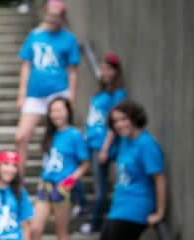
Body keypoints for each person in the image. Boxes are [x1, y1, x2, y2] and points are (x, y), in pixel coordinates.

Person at [14, 0, 80, 173]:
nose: (52, 19)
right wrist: (22, 93)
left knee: (61, 138)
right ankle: (18, 182)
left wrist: (71, 97)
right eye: (50, 14)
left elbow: (73, 71)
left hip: (59, 93)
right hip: (35, 95)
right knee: (20, 137)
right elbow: (26, 64)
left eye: (56, 16)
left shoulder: (69, 38)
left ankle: (64, 176)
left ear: (62, 18)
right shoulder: (35, 35)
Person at [100, 100, 166, 240]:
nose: (119, 124)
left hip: (135, 209)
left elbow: (159, 178)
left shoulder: (146, 144)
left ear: (134, 118)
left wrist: (159, 213)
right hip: (118, 207)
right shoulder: (125, 141)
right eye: (115, 121)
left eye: (124, 119)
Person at [79, 52, 127, 234]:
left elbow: (115, 123)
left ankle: (96, 222)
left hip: (101, 145)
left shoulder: (118, 94)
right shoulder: (101, 92)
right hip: (90, 142)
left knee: (100, 188)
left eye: (108, 69)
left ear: (116, 71)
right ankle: (84, 208)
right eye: (102, 68)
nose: (103, 72)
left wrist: (105, 148)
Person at [30, 97, 90, 240]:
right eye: (52, 111)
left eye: (59, 110)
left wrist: (70, 181)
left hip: (62, 187)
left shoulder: (75, 134)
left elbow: (85, 164)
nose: (56, 114)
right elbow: (47, 161)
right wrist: (41, 180)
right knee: (34, 229)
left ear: (68, 111)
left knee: (61, 233)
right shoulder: (50, 134)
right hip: (45, 185)